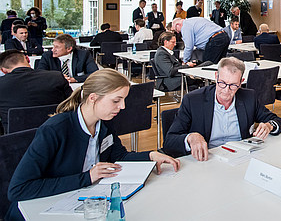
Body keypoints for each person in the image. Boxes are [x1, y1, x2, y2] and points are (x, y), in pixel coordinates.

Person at [6, 69, 179, 220]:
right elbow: (19, 189)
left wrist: (150, 155)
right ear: (93, 98)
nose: (123, 106)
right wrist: (88, 177)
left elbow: (118, 156)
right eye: (116, 100)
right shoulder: (55, 130)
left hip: (86, 202)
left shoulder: (104, 122)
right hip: (44, 209)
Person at [163, 57, 281, 160]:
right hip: (207, 159)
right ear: (216, 76)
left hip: (241, 158)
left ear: (241, 82)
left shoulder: (249, 97)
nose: (226, 90)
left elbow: (277, 121)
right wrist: (190, 138)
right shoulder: (193, 100)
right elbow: (169, 142)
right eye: (222, 83)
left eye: (233, 85)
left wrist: (269, 126)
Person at [0, 50, 71, 133]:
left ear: (3, 70)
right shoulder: (56, 77)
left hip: (16, 140)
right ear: (28, 59)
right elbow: (73, 104)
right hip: (58, 134)